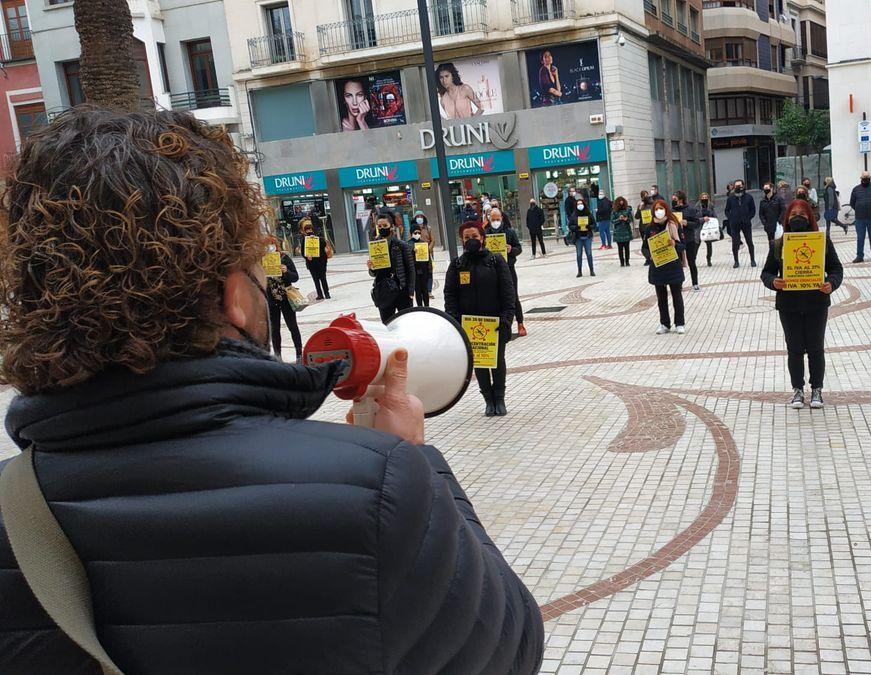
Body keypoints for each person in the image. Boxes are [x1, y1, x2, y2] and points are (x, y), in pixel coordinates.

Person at [0, 107, 543, 673]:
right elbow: (510, 649)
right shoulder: (376, 489)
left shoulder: (12, 511)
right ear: (234, 296)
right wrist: (416, 462)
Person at [761, 199, 843, 410]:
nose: (798, 217)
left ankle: (817, 389)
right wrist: (773, 282)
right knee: (794, 349)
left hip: (816, 302)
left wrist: (831, 284)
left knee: (816, 348)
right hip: (789, 304)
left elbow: (836, 269)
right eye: (793, 214)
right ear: (787, 218)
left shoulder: (822, 241)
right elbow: (766, 272)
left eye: (802, 214)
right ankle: (797, 389)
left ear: (810, 217)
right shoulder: (779, 244)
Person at [444, 222, 518, 416]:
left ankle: (499, 397)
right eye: (467, 237)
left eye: (474, 236)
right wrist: (455, 321)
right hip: (469, 325)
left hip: (495, 322)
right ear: (462, 240)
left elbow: (508, 292)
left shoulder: (496, 261)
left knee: (497, 360)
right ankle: (488, 398)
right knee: (479, 363)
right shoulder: (457, 265)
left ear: (482, 237)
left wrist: (507, 319)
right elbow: (450, 295)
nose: (471, 241)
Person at [642, 199, 686, 334]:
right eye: (656, 209)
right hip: (658, 267)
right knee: (661, 298)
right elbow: (644, 248)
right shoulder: (650, 228)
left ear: (666, 209)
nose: (659, 211)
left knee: (676, 296)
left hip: (673, 265)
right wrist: (650, 255)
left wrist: (674, 243)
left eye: (661, 208)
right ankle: (664, 323)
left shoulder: (674, 224)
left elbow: (682, 245)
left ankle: (679, 323)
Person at [487, 207, 527, 337]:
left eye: (498, 219)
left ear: (502, 219)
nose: (495, 222)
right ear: (489, 219)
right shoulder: (485, 233)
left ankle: (520, 323)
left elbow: (519, 248)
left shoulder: (510, 232)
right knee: (495, 297)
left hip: (508, 268)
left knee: (513, 296)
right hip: (492, 269)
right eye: (493, 220)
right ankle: (501, 326)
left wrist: (511, 250)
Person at [369, 217, 416, 324]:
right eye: (379, 226)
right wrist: (371, 268)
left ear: (391, 227)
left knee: (405, 323)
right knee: (387, 324)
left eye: (385, 226)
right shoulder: (375, 245)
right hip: (383, 290)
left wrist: (411, 291)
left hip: (401, 290)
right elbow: (373, 273)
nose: (382, 228)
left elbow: (411, 269)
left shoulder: (401, 245)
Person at [265, 236, 304, 361]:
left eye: (272, 245)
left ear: (276, 246)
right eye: (266, 246)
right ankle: (278, 355)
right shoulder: (262, 260)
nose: (269, 248)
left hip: (286, 298)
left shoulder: (284, 258)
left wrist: (286, 271)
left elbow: (295, 277)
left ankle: (299, 353)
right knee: (274, 328)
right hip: (272, 299)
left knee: (292, 325)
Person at [848, 171, 871, 263]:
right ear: (861, 179)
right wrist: (858, 209)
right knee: (860, 238)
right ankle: (859, 256)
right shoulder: (856, 189)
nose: (865, 179)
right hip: (859, 218)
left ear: (870, 178)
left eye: (867, 177)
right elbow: (852, 203)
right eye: (864, 178)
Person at [725, 179, 757, 268]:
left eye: (740, 185)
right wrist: (731, 218)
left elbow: (753, 210)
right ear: (734, 187)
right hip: (734, 224)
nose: (738, 187)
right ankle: (736, 261)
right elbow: (727, 210)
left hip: (746, 223)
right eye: (736, 186)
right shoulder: (730, 198)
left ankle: (752, 260)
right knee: (735, 242)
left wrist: (748, 218)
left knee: (749, 241)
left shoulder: (749, 197)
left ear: (743, 186)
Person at [674, 190, 702, 291]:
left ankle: (695, 283)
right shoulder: (672, 211)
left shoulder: (690, 209)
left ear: (680, 199)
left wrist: (687, 223)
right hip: (677, 240)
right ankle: (679, 283)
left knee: (692, 262)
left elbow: (697, 223)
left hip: (689, 239)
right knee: (678, 263)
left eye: (675, 198)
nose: (673, 200)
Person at [299, 217, 331, 300]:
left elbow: (324, 245)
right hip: (311, 263)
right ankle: (320, 294)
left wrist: (317, 240)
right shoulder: (304, 240)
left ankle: (327, 293)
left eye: (310, 229)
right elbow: (303, 252)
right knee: (316, 280)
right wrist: (307, 257)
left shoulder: (319, 237)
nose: (309, 231)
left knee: (323, 278)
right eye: (307, 230)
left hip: (321, 262)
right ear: (304, 231)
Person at [570, 197, 597, 277]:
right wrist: (576, 228)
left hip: (587, 236)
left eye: (581, 204)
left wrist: (589, 227)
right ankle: (579, 271)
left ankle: (591, 270)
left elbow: (594, 224)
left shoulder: (588, 213)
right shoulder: (574, 214)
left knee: (589, 254)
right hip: (578, 237)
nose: (580, 205)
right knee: (579, 254)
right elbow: (570, 225)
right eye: (578, 204)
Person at [410, 223, 434, 308]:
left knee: (425, 290)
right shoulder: (408, 244)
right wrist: (412, 252)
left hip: (424, 271)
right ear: (411, 233)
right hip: (414, 272)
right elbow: (407, 259)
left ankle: (427, 307)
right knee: (418, 291)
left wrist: (429, 270)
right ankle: (420, 307)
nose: (417, 235)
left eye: (418, 233)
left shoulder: (423, 243)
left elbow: (428, 258)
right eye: (415, 233)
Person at [612, 196, 635, 266]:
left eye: (622, 201)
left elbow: (631, 219)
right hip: (618, 232)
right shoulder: (614, 211)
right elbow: (612, 221)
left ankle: (627, 261)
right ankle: (622, 262)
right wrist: (619, 219)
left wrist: (626, 219)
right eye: (620, 201)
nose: (621, 202)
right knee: (620, 248)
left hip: (626, 231)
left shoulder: (627, 210)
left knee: (627, 247)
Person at [698, 192, 719, 266]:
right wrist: (702, 219)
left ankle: (708, 259)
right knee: (697, 243)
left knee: (709, 245)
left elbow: (714, 215)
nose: (704, 199)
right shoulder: (697, 206)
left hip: (708, 227)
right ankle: (693, 259)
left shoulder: (710, 205)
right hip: (700, 227)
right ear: (700, 198)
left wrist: (716, 222)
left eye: (705, 197)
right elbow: (695, 217)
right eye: (703, 197)